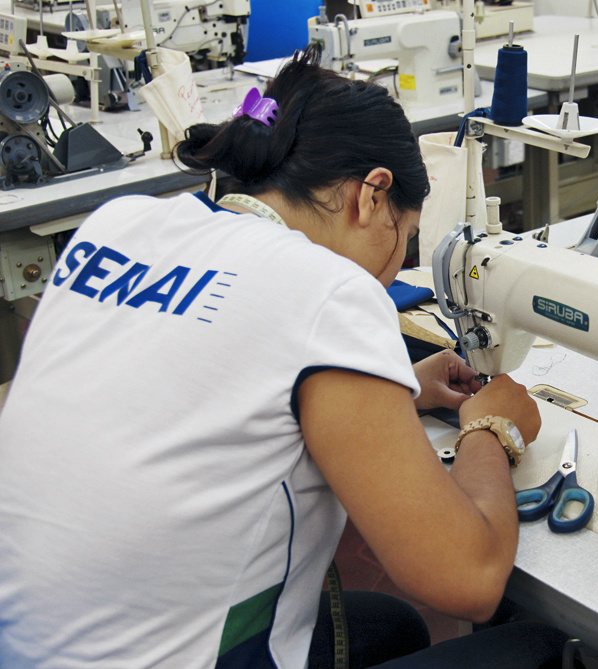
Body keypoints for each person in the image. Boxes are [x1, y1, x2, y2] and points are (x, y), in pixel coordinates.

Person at [0, 45, 566, 668]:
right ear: (372, 195)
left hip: (28, 643)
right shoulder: (329, 291)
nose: (393, 270)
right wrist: (493, 429)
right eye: (404, 243)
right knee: (534, 650)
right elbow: (469, 581)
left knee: (389, 626)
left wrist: (395, 383)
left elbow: (203, 375)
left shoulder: (119, 224)